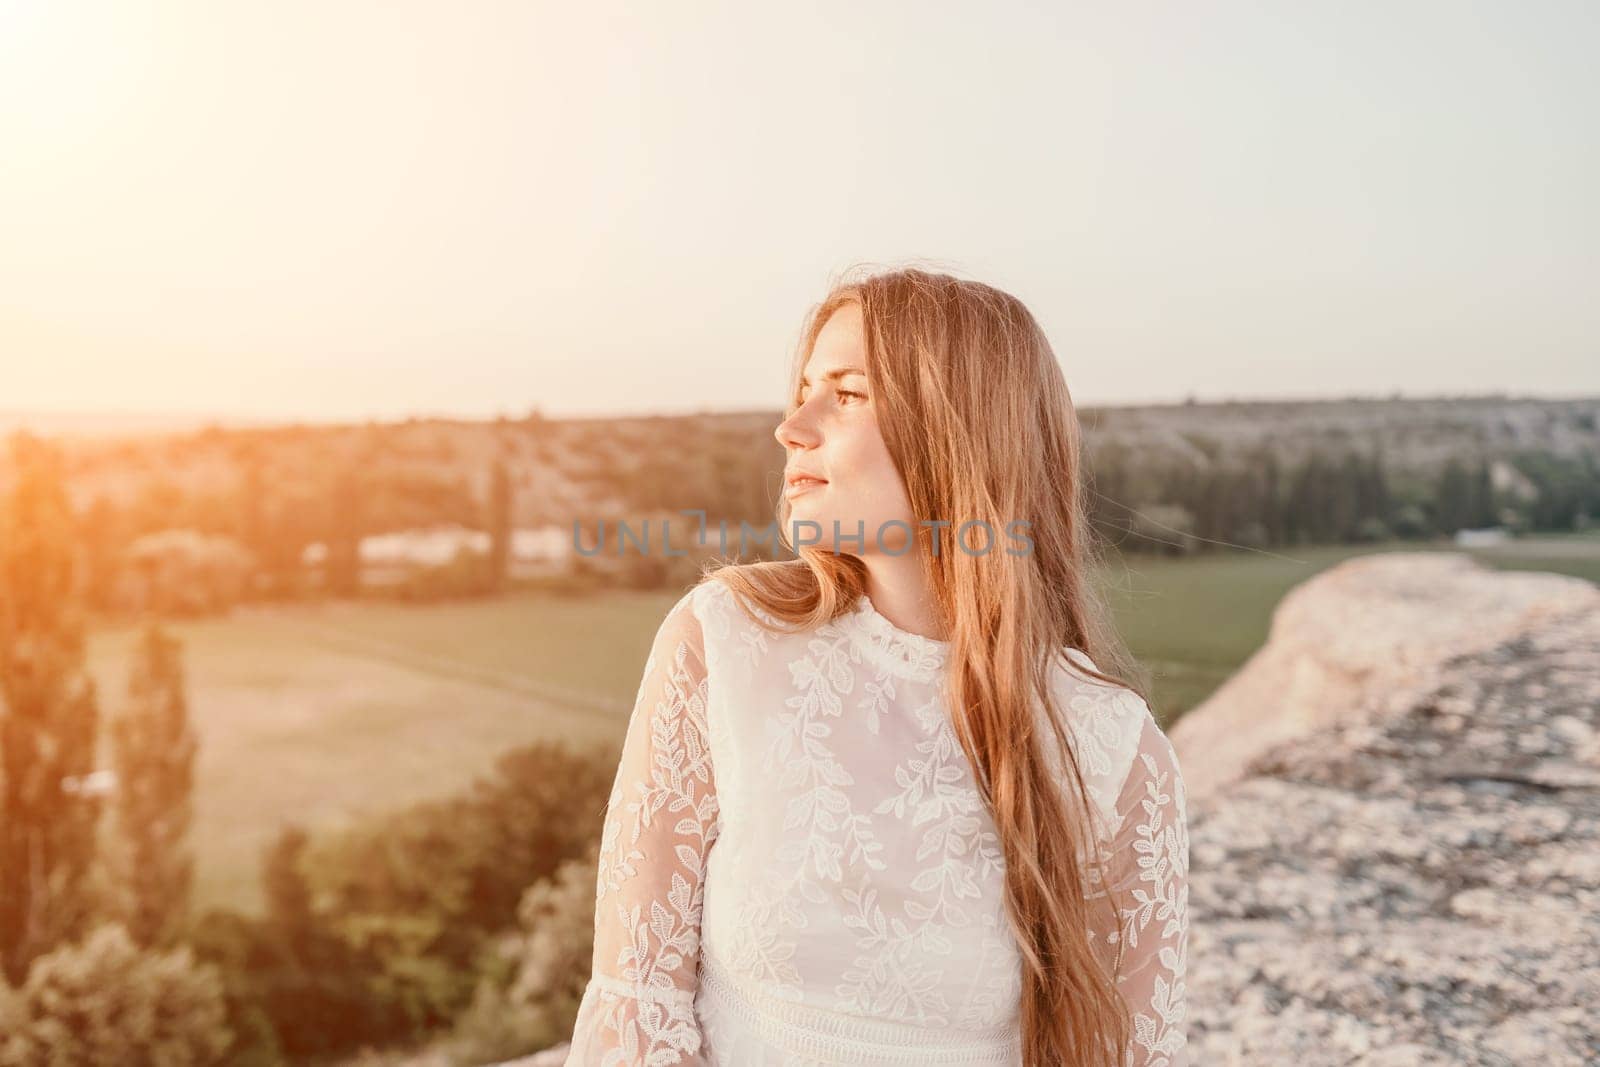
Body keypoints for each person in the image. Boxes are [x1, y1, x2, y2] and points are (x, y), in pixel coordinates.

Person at [564, 266, 1189, 1066]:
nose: (792, 425)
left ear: (957, 430)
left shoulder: (1116, 755)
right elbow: (635, 1007)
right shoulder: (723, 644)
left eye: (847, 394)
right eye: (803, 387)